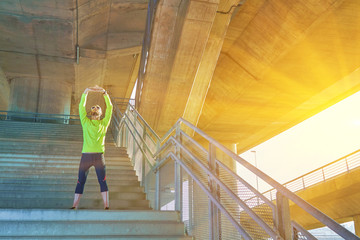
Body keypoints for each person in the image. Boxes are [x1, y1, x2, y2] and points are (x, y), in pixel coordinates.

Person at [71, 86, 113, 210]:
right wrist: (86, 92)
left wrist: (104, 93)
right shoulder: (85, 122)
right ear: (90, 112)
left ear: (101, 113)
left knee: (102, 181)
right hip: (86, 156)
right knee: (80, 181)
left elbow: (110, 108)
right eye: (93, 107)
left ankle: (106, 206)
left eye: (98, 107)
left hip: (99, 156)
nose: (95, 108)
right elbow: (81, 107)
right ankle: (74, 205)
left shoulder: (104, 123)